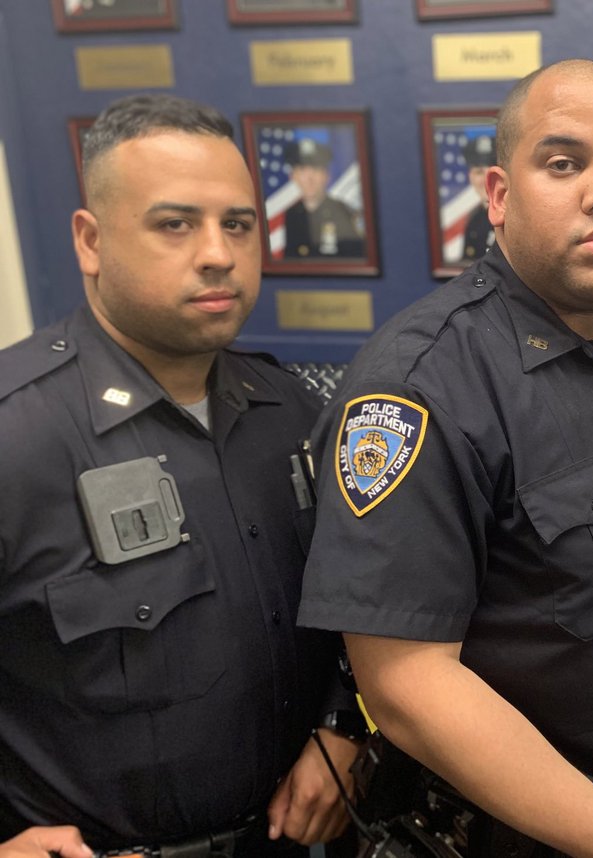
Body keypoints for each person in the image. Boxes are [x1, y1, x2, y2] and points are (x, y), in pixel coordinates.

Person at [299, 59, 593, 858]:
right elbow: (406, 683)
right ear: (498, 195)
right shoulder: (422, 384)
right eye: (564, 164)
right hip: (526, 836)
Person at [0, 93, 364, 857]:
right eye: (175, 224)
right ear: (90, 241)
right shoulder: (16, 435)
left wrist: (344, 727)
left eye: (238, 224)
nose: (218, 253)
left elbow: (352, 610)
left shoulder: (291, 411)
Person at [282, 137, 365, 259]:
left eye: (315, 170)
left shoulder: (345, 212)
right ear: (293, 177)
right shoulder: (292, 214)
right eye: (302, 170)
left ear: (327, 176)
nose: (309, 179)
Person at [460, 133, 497, 262]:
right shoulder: (474, 221)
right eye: (479, 172)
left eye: (492, 171)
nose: (486, 180)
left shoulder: (518, 219)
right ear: (470, 177)